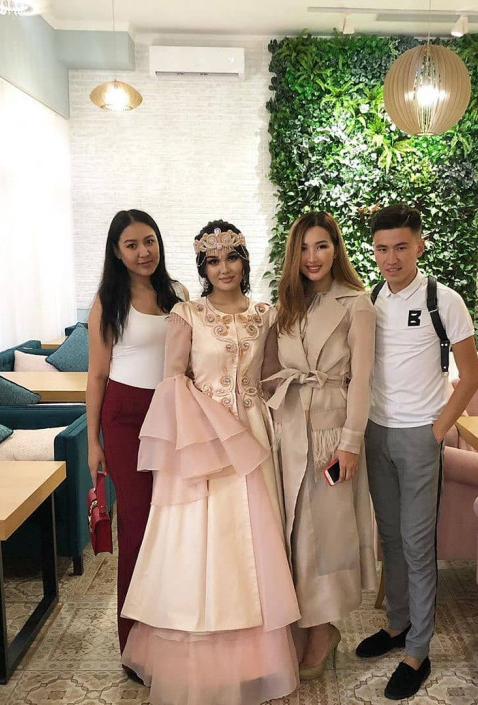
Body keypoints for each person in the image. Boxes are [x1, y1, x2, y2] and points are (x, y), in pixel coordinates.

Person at [120, 221, 300, 705]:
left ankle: (255, 660)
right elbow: (173, 380)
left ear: (244, 261)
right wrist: (208, 428)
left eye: (232, 257)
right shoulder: (187, 314)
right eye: (213, 261)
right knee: (200, 544)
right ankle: (196, 658)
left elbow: (269, 375)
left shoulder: (265, 314)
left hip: (254, 435)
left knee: (254, 543)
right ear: (203, 268)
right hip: (203, 438)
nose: (224, 269)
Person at [355, 204, 478, 701]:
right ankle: (397, 625)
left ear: (420, 246)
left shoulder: (443, 300)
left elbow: (471, 377)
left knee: (415, 541)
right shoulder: (369, 300)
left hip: (420, 436)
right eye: (382, 248)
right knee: (389, 536)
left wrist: (437, 430)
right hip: (376, 432)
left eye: (401, 247)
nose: (391, 258)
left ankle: (418, 651)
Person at [266, 212, 376, 680]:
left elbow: (363, 379)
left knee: (325, 535)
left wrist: (350, 442)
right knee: (292, 533)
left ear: (336, 249)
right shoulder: (285, 304)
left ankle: (324, 627)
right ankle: (306, 624)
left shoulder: (357, 303)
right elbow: (267, 369)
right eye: (305, 248)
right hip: (287, 427)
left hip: (331, 430)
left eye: (322, 246)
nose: (312, 257)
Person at [86, 209, 187, 665]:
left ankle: (171, 629)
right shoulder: (108, 301)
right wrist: (93, 442)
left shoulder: (178, 294)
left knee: (176, 521)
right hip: (125, 417)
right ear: (116, 251)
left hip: (173, 413)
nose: (144, 252)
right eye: (132, 245)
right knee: (138, 523)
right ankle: (133, 641)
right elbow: (97, 375)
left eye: (150, 241)